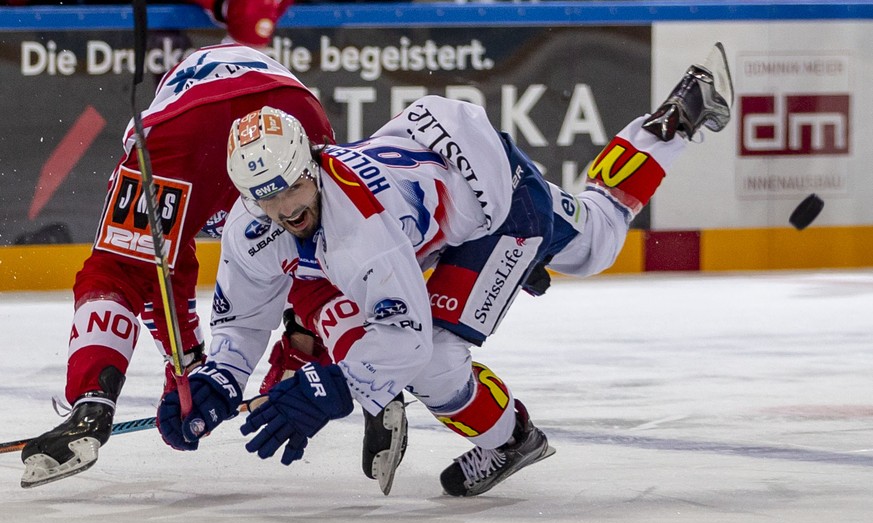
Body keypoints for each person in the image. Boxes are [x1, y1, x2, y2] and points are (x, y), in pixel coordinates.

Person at [153, 43, 734, 496]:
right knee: (597, 239)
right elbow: (244, 317)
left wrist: (330, 386)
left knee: (437, 357)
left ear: (313, 161)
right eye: (265, 197)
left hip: (503, 213)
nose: (285, 210)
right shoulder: (255, 225)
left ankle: (511, 441)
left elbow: (405, 342)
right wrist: (219, 379)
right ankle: (672, 123)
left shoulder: (363, 229)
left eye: (292, 189)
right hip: (447, 189)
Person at [19, 42, 336, 488]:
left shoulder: (170, 118)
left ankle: (92, 404)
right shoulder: (263, 84)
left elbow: (162, 277)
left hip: (182, 128)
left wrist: (185, 367)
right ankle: (302, 364)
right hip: (290, 110)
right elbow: (321, 263)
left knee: (118, 269)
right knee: (319, 243)